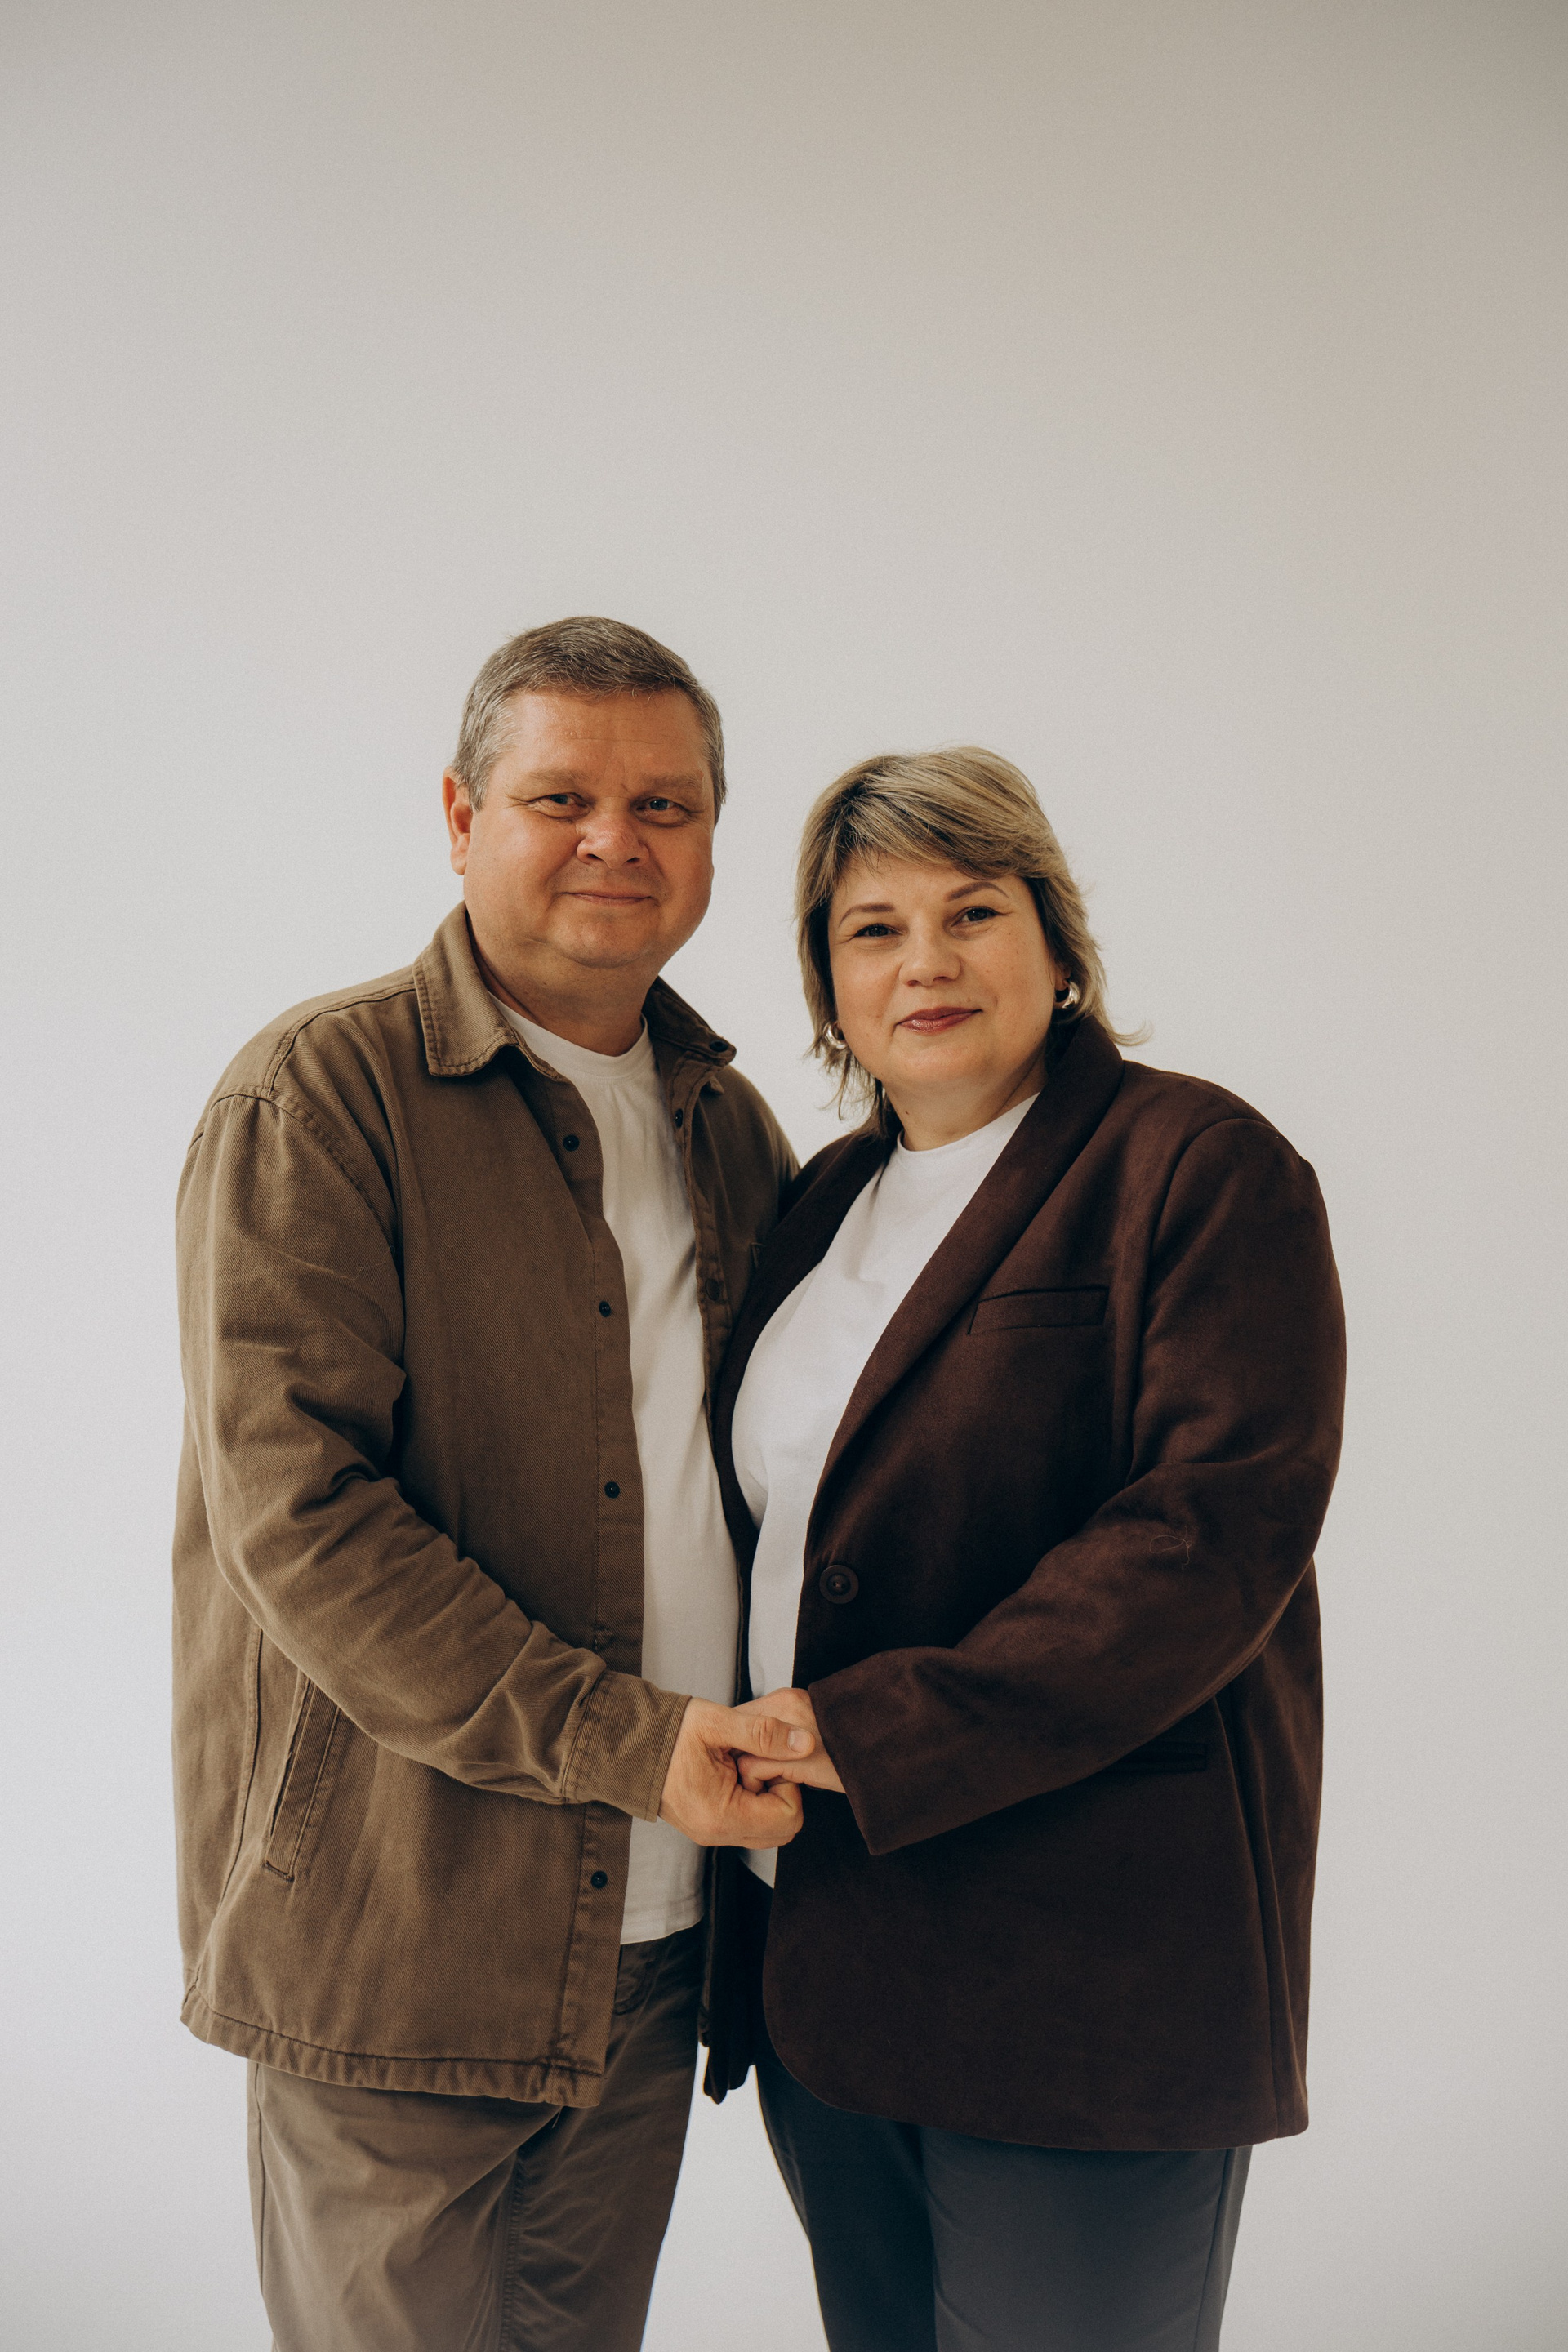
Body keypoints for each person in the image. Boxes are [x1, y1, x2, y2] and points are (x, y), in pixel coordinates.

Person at [172, 616, 820, 2352]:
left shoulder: (729, 1129)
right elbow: (302, 1524)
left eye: (665, 806)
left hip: (656, 1944)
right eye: (561, 798)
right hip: (399, 1946)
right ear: (462, 818)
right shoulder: (322, 1096)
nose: (618, 840)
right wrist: (628, 1743)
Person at [709, 746, 1347, 2352]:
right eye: (873, 929)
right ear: (827, 985)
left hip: (1086, 1969)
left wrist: (872, 1728)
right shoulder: (824, 1205)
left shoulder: (1196, 1167)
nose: (924, 961)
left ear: (1058, 945)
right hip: (832, 1956)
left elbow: (1205, 1539)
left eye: (972, 911)